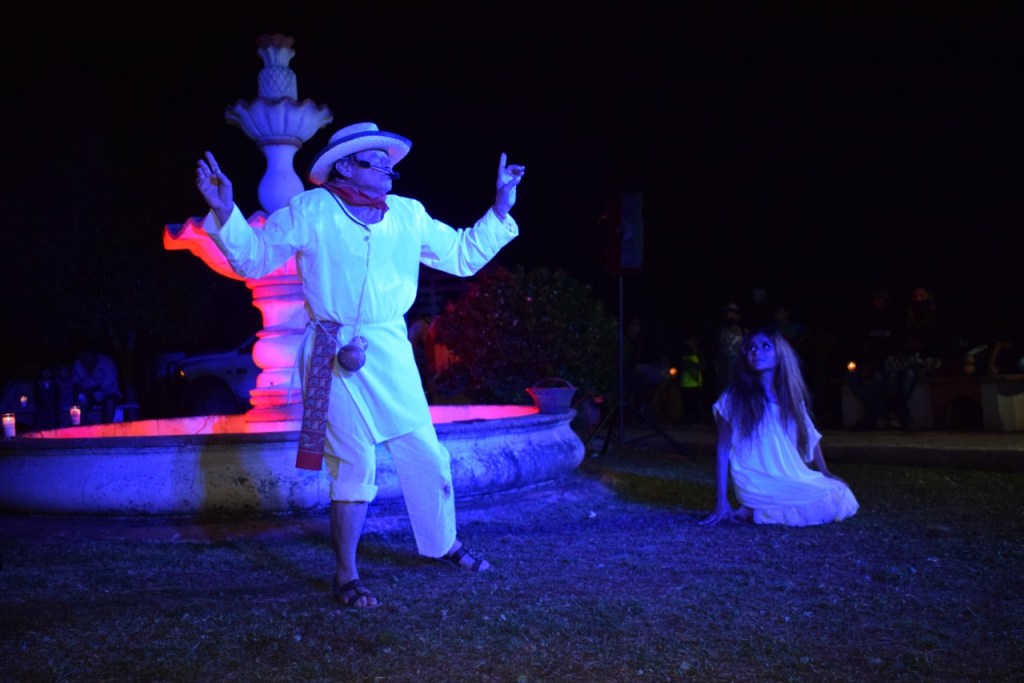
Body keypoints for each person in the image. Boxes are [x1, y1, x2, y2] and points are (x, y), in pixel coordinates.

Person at [194, 122, 525, 609]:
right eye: (377, 161)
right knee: (354, 462)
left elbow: (461, 256)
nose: (390, 169)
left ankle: (443, 543)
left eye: (391, 162)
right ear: (346, 166)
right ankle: (346, 574)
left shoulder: (408, 214)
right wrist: (226, 210)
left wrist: (500, 207)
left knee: (426, 453)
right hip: (330, 349)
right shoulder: (311, 210)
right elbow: (256, 261)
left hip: (389, 348)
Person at [701, 327, 858, 526]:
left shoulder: (790, 396)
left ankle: (757, 510)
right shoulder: (734, 397)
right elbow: (723, 449)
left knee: (839, 493)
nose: (756, 352)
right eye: (751, 348)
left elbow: (810, 436)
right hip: (757, 480)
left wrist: (825, 472)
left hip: (789, 475)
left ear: (780, 353)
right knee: (823, 506)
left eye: (765, 346)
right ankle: (756, 508)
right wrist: (721, 500)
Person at [70, 347, 122, 424]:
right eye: (84, 360)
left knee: (109, 402)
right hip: (86, 395)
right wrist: (77, 397)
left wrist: (90, 393)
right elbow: (75, 382)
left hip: (108, 394)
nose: (86, 363)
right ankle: (83, 428)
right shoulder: (78, 364)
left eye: (89, 359)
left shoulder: (108, 362)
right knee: (77, 405)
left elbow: (107, 386)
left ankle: (106, 428)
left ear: (95, 355)